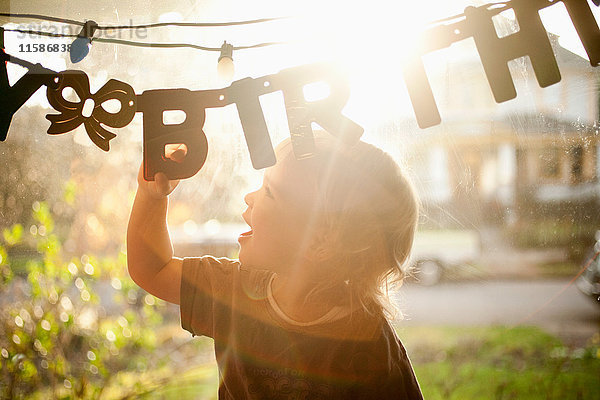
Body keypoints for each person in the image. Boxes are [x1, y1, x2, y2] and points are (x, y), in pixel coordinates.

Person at [127, 134, 423, 399]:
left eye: (269, 191)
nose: (249, 197)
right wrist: (151, 195)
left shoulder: (370, 346)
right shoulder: (230, 289)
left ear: (320, 243)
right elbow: (152, 269)